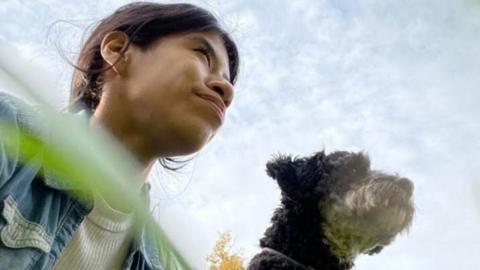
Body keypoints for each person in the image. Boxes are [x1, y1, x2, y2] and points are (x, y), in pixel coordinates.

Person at [0, 2, 239, 269]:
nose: (226, 89)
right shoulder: (8, 132)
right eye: (203, 55)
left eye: (228, 80)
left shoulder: (167, 264)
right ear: (117, 51)